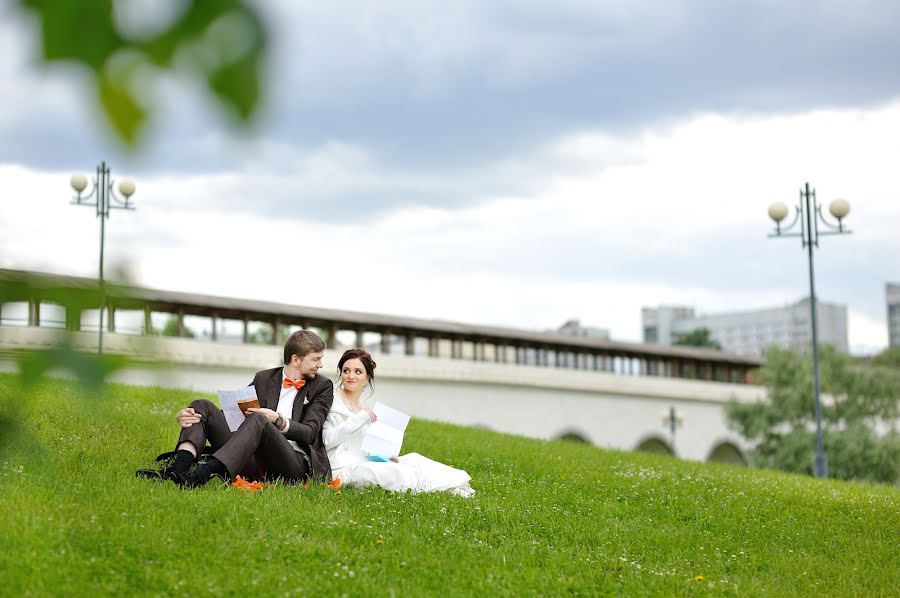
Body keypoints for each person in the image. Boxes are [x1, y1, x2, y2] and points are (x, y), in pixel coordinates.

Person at [145, 330, 334, 488]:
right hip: (250, 456)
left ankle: (202, 474)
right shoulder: (264, 378)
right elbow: (234, 415)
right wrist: (193, 417)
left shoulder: (322, 386)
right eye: (316, 359)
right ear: (295, 359)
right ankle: (178, 469)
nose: (321, 365)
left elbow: (309, 433)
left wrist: (278, 419)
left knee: (260, 419)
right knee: (201, 406)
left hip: (291, 463)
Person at [323, 348, 474, 497]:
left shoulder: (364, 410)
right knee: (392, 471)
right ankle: (440, 489)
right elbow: (328, 441)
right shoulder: (332, 402)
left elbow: (362, 449)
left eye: (358, 371)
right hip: (342, 471)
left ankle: (456, 483)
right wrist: (360, 418)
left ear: (368, 377)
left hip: (362, 463)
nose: (351, 376)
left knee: (414, 459)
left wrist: (383, 458)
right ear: (341, 373)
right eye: (346, 370)